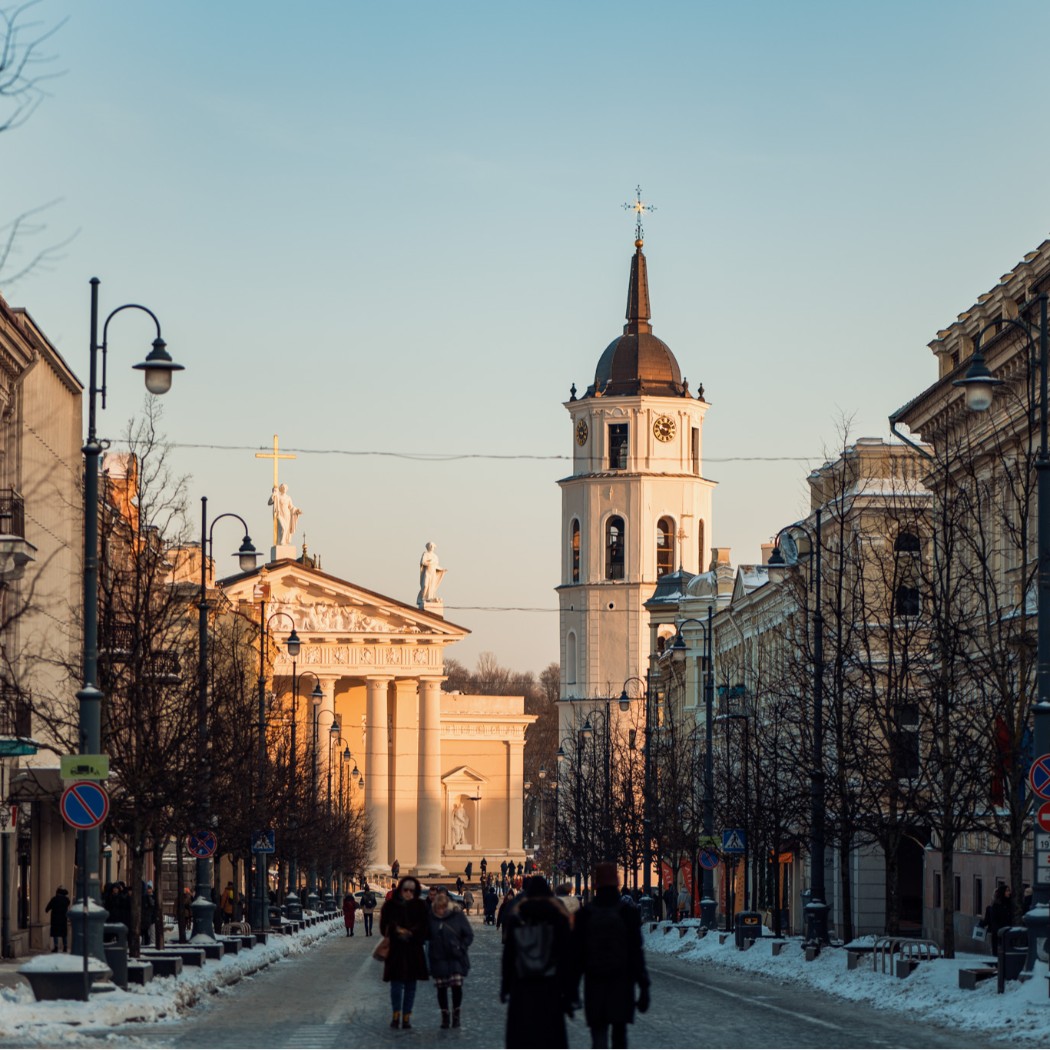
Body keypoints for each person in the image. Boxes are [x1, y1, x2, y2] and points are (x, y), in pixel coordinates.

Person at [573, 862, 650, 1049]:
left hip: (595, 984)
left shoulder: (585, 914)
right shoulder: (628, 913)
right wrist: (644, 987)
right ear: (616, 882)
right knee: (619, 1035)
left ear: (596, 884)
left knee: (598, 1036)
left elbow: (576, 957)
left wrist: (571, 991)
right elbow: (635, 953)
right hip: (622, 984)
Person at [501, 876, 575, 1049]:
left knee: (524, 1037)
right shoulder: (558, 917)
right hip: (551, 986)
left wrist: (505, 988)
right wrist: (570, 993)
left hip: (522, 986)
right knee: (550, 1037)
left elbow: (509, 956)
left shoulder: (518, 916)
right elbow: (567, 957)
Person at [380, 876, 429, 1030]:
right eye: (405, 890)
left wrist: (412, 933)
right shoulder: (390, 906)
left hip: (413, 952)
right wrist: (396, 930)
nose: (408, 893)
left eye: (411, 890)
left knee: (410, 987)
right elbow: (384, 928)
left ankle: (407, 1016)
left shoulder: (421, 906)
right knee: (396, 986)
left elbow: (426, 929)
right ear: (400, 890)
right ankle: (396, 1015)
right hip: (396, 952)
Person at [427, 888, 474, 1029]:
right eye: (438, 908)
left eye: (443, 908)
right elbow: (425, 935)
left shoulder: (457, 916)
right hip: (439, 958)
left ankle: (456, 1014)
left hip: (455, 957)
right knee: (441, 989)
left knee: (456, 987)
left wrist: (461, 947)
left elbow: (469, 935)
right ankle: (445, 1016)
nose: (440, 911)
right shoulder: (431, 918)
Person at [983, 883, 1013, 956]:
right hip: (999, 933)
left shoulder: (1011, 904)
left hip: (1009, 932)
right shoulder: (996, 906)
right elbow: (994, 920)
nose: (1009, 892)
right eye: (1007, 891)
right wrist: (998, 931)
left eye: (1009, 890)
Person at [45, 886, 70, 953]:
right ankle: (65, 946)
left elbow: (48, 907)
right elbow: (68, 904)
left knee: (55, 933)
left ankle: (56, 946)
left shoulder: (54, 899)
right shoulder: (66, 900)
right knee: (63, 933)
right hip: (63, 919)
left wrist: (47, 910)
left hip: (55, 919)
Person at [141, 881, 157, 946]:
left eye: (149, 888)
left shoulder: (154, 896)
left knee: (152, 931)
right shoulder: (144, 897)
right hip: (146, 917)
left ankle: (152, 943)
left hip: (152, 916)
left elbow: (154, 906)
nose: (148, 890)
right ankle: (145, 942)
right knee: (146, 931)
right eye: (148, 889)